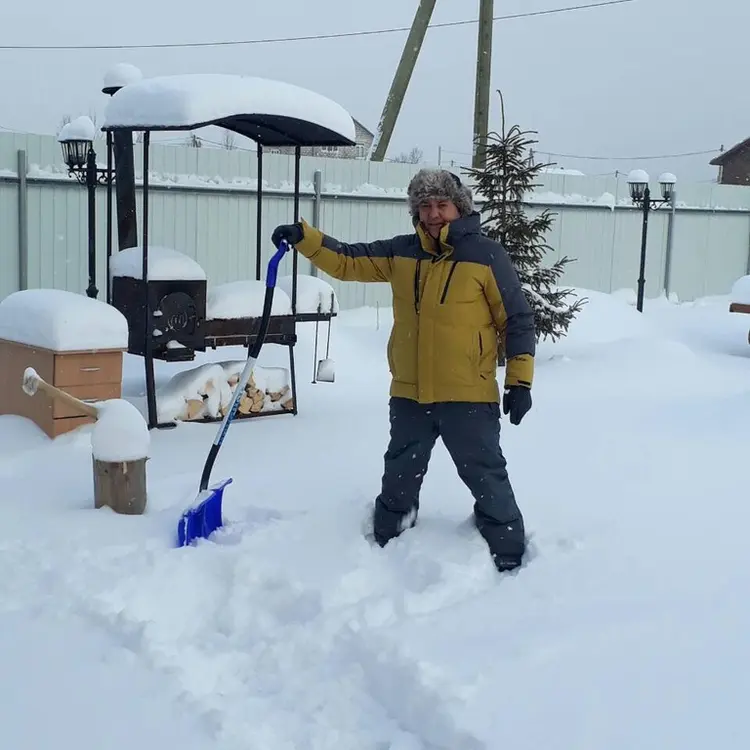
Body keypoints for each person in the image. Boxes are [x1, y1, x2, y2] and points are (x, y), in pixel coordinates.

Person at [271, 168, 535, 572]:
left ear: (458, 207)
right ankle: (391, 531)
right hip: (410, 392)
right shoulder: (401, 252)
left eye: (441, 204)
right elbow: (346, 260)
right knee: (400, 469)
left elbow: (516, 319)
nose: (432, 214)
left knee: (485, 472)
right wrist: (306, 239)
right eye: (424, 205)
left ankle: (508, 547)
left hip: (468, 392)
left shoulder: (485, 256)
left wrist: (519, 381)